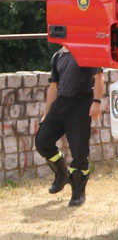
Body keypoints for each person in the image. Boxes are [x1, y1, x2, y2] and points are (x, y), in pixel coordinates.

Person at [34, 46, 104, 207]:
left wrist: (96, 102)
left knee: (79, 153)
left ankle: (78, 193)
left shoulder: (87, 51)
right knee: (42, 142)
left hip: (81, 104)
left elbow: (99, 76)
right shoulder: (57, 56)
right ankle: (62, 174)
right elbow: (53, 87)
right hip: (61, 104)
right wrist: (46, 114)